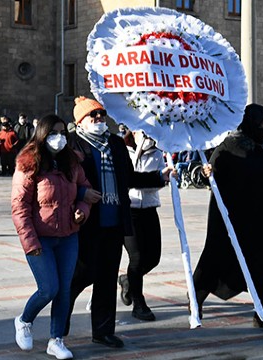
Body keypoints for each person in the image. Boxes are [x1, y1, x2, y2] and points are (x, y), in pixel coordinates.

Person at [63, 96, 172, 348]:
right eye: (93, 116)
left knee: (106, 276)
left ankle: (102, 331)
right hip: (87, 222)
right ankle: (60, 324)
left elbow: (128, 177)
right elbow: (61, 180)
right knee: (81, 275)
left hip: (114, 222)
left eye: (102, 114)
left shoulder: (114, 143)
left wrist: (158, 176)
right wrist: (81, 195)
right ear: (80, 121)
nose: (99, 119)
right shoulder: (73, 144)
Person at [193, 103, 263, 332]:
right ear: (250, 123)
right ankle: (195, 299)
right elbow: (208, 177)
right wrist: (205, 175)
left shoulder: (262, 150)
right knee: (215, 262)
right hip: (232, 221)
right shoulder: (228, 147)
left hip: (261, 221)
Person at [11, 114, 93, 360]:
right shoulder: (29, 164)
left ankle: (56, 340)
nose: (59, 138)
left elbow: (84, 190)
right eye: (53, 133)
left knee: (64, 290)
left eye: (62, 133)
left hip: (68, 236)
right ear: (43, 135)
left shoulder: (72, 163)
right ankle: (24, 320)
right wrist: (30, 242)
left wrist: (83, 210)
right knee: (49, 289)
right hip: (40, 238)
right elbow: (19, 206)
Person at [118, 130, 167, 321]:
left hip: (149, 207)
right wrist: (153, 179)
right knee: (137, 258)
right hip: (129, 210)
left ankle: (127, 280)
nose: (148, 137)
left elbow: (159, 182)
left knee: (153, 257)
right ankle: (138, 303)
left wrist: (160, 178)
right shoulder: (123, 149)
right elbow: (127, 180)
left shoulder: (157, 153)